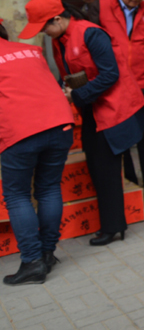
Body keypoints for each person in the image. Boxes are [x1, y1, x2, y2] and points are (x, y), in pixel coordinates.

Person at [19, 0, 144, 245]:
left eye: (44, 27)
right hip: (92, 109)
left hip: (113, 109)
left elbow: (110, 74)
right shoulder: (60, 39)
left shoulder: (91, 33)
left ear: (57, 19)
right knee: (97, 166)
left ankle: (114, 227)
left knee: (106, 168)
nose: (44, 33)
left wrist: (77, 95)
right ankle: (112, 224)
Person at [0, 18, 73, 285]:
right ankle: (47, 254)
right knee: (49, 188)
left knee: (17, 195)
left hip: (20, 131)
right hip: (59, 123)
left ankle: (32, 262)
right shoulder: (31, 50)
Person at [87, 0, 144, 202]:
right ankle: (130, 185)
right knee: (121, 137)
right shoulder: (99, 8)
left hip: (143, 83)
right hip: (114, 84)